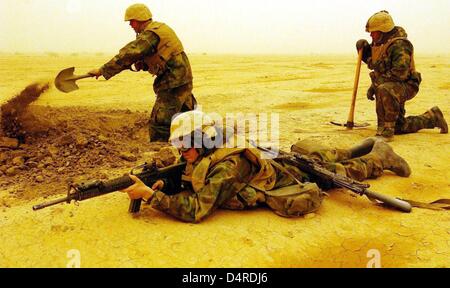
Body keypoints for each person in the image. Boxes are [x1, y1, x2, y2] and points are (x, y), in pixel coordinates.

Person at [121, 111, 412, 223]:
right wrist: (165, 184)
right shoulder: (202, 153)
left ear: (203, 139)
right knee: (331, 160)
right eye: (179, 145)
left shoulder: (230, 165)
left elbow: (197, 209)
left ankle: (380, 157)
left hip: (289, 175)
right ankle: (366, 148)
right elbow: (191, 176)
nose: (181, 152)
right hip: (274, 160)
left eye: (185, 144)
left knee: (340, 174)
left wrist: (151, 196)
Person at [89, 3, 197, 142]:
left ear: (139, 19)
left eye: (131, 22)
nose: (130, 25)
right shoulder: (160, 28)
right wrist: (145, 64)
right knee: (188, 118)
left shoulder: (150, 35)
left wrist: (102, 70)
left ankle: (161, 153)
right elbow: (161, 55)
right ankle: (199, 146)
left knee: (160, 123)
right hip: (182, 79)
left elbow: (129, 54)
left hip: (173, 81)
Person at [356, 11, 448, 141]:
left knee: (384, 88)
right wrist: (365, 53)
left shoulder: (400, 45)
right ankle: (432, 117)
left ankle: (387, 130)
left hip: (406, 85)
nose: (371, 34)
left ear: (383, 31)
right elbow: (378, 66)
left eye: (374, 32)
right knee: (400, 126)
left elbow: (399, 73)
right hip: (391, 85)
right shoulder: (381, 44)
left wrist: (375, 85)